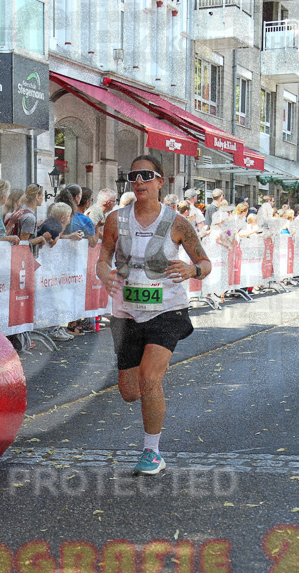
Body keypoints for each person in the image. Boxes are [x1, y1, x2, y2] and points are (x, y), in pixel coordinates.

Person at [96, 154, 212, 475]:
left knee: (149, 379)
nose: (139, 182)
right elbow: (103, 259)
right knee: (130, 391)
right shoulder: (115, 220)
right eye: (133, 177)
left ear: (161, 181)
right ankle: (151, 385)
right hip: (127, 311)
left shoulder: (177, 222)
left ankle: (152, 452)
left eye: (146, 176)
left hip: (168, 310)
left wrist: (191, 269)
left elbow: (205, 264)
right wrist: (103, 272)